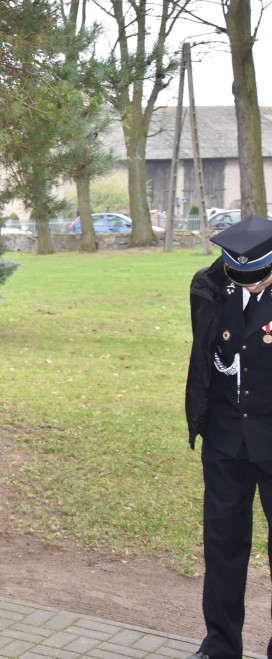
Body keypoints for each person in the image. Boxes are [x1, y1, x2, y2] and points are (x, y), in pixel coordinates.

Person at [184, 215, 272, 659]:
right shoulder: (211, 288)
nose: (251, 285)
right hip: (224, 439)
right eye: (243, 276)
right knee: (222, 546)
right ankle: (220, 645)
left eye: (259, 276)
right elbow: (206, 355)